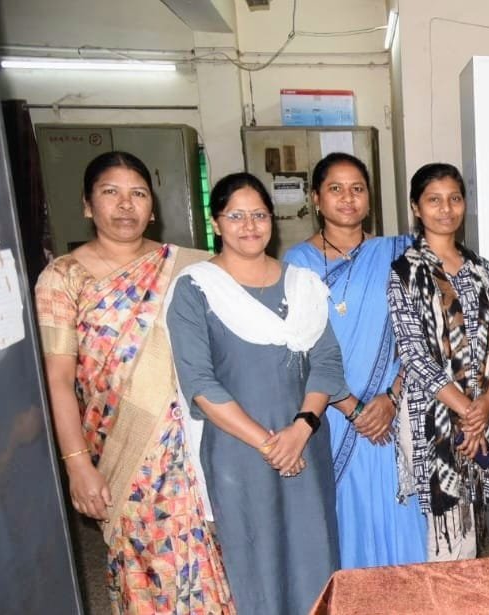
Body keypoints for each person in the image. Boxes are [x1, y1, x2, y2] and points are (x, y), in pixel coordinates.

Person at [35, 151, 234, 613]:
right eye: (111, 192)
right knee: (143, 562)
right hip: (118, 448)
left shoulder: (190, 268)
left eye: (138, 194)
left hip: (190, 442)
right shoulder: (63, 277)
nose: (126, 205)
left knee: (203, 552)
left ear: (153, 207)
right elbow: (57, 378)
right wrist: (77, 465)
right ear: (87, 205)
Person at [167, 173, 346, 613]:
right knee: (256, 562)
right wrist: (270, 444)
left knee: (315, 554)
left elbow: (326, 362)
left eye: (259, 215)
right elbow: (200, 383)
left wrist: (300, 431)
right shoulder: (196, 288)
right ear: (216, 222)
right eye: (236, 216)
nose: (249, 226)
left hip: (304, 442)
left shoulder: (302, 284)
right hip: (240, 451)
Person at [281, 152, 428, 568]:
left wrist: (392, 397)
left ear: (369, 198)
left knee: (401, 516)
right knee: (346, 520)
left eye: (357, 189)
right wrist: (352, 407)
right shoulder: (296, 264)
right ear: (316, 198)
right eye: (335, 189)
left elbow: (418, 335)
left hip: (392, 411)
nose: (348, 198)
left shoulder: (399, 253)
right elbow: (297, 349)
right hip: (330, 413)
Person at [387, 163, 489, 560]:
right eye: (434, 200)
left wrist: (487, 404)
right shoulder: (405, 271)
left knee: (470, 526)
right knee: (444, 531)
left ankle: (463, 590)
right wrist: (467, 410)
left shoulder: (481, 269)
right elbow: (414, 354)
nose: (446, 209)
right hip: (431, 414)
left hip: (481, 411)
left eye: (454, 198)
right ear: (416, 207)